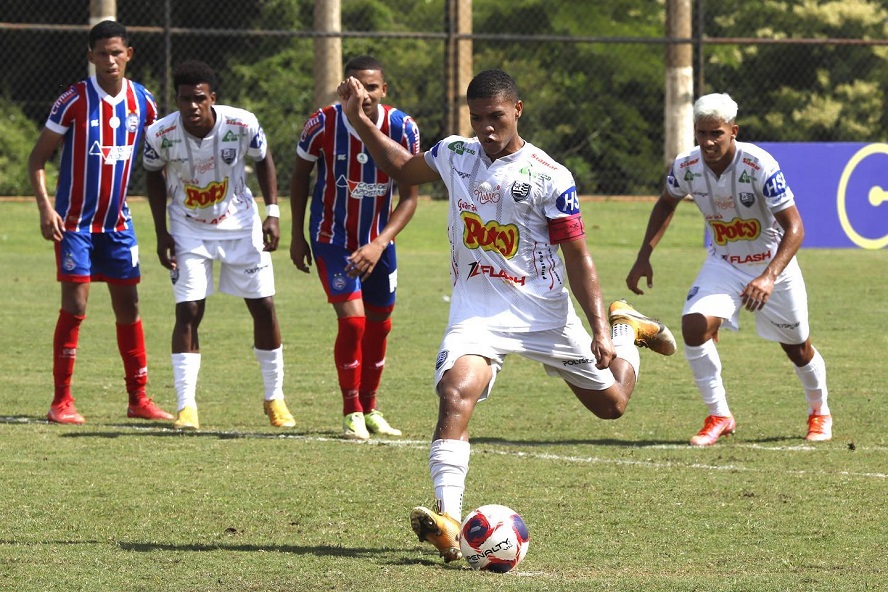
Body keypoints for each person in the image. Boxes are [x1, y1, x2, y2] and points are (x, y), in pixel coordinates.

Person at [337, 68, 676, 562]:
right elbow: (405, 169)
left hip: (544, 314)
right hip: (478, 312)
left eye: (495, 116)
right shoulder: (455, 153)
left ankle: (627, 327)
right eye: (477, 118)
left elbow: (578, 258)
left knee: (613, 405)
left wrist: (602, 328)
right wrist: (361, 121)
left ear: (518, 110)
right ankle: (449, 521)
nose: (486, 128)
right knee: (455, 391)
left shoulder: (549, 177)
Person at [625, 92, 832, 447]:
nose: (707, 142)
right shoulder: (686, 166)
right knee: (693, 325)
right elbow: (665, 204)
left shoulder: (759, 165)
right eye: (701, 133)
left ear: (733, 131)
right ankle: (719, 415)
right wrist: (644, 254)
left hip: (771, 264)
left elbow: (795, 227)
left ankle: (820, 411)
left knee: (796, 348)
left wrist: (768, 276)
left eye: (716, 134)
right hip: (723, 262)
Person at [28, 20, 173, 425]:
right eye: (102, 54)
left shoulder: (144, 102)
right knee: (75, 306)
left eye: (117, 53)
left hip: (117, 225)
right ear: (90, 56)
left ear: (129, 54)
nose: (110, 60)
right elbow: (37, 160)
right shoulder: (72, 100)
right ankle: (61, 401)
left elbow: (156, 164)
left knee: (130, 305)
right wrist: (45, 208)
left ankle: (138, 398)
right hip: (73, 224)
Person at [144, 60, 295, 430]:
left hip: (240, 225)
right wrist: (161, 232)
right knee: (189, 310)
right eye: (184, 100)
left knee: (263, 306)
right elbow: (151, 176)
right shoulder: (159, 134)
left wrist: (272, 212)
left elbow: (264, 161)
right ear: (176, 100)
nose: (192, 106)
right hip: (188, 228)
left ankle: (275, 398)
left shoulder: (243, 124)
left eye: (199, 98)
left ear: (212, 97)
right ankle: (186, 407)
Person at [289, 55, 420, 440]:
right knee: (353, 321)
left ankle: (371, 406)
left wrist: (380, 242)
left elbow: (409, 198)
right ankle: (352, 412)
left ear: (384, 90)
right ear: (345, 87)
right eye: (356, 87)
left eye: (372, 88)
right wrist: (297, 236)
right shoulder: (322, 123)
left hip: (379, 244)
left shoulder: (402, 127)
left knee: (381, 325)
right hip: (333, 240)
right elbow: (299, 179)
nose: (364, 95)